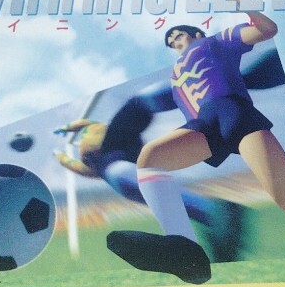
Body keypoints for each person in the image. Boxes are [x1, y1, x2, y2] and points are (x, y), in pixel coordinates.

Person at [106, 1, 285, 285]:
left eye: (179, 36)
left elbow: (266, 30)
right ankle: (185, 251)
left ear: (198, 34)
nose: (176, 43)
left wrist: (249, 8)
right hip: (204, 126)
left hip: (235, 114)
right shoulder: (175, 75)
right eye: (172, 43)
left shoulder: (216, 42)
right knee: (150, 157)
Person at [53, 98, 245, 263]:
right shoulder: (94, 166)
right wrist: (59, 153)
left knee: (137, 113)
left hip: (119, 147)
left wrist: (65, 130)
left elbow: (81, 126)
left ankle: (211, 213)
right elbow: (71, 162)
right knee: (127, 177)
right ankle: (211, 215)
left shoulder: (95, 136)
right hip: (124, 155)